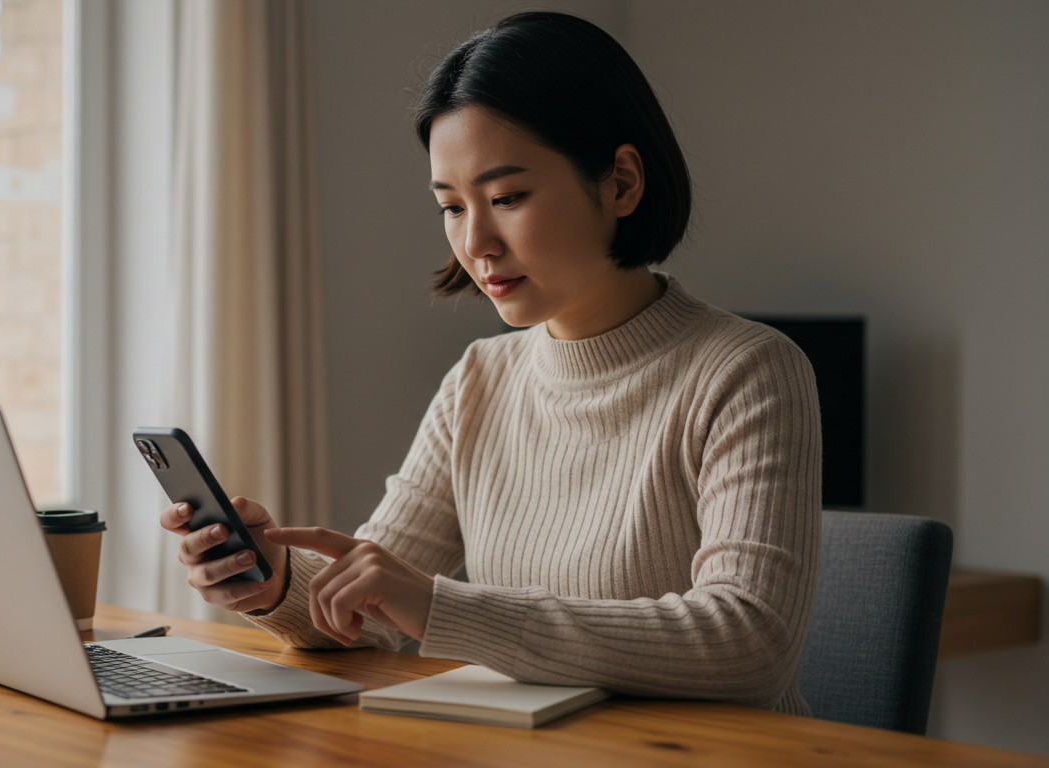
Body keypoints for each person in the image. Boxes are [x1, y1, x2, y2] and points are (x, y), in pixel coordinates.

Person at [160, 11, 820, 715]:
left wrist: (440, 607)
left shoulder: (748, 372)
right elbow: (373, 610)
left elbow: (751, 642)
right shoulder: (479, 380)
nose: (476, 243)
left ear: (622, 183)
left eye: (506, 198)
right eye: (451, 206)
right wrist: (276, 583)